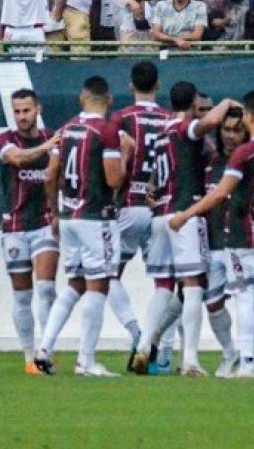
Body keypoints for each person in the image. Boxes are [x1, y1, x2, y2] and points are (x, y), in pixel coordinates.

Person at [169, 89, 254, 379]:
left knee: (244, 298)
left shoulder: (245, 154)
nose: (230, 135)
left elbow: (221, 193)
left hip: (241, 236)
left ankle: (248, 363)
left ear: (249, 118)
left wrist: (185, 215)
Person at [129, 87, 236, 377]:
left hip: (160, 216)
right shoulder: (182, 128)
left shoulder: (162, 132)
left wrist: (152, 188)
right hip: (183, 215)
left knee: (164, 287)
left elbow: (156, 172)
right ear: (191, 104)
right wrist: (227, 100)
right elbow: (209, 123)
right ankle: (189, 358)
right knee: (192, 286)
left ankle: (143, 347)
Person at [33, 76, 126, 377]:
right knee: (98, 284)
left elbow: (50, 175)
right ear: (108, 100)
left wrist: (54, 212)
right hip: (95, 217)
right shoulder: (107, 131)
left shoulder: (66, 129)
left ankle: (44, 348)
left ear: (81, 98)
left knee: (75, 284)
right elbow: (113, 179)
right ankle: (86, 360)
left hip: (69, 215)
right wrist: (125, 152)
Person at [106, 61, 172, 363]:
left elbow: (112, 165)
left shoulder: (121, 118)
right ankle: (163, 352)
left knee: (108, 274)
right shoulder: (169, 120)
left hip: (129, 206)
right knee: (166, 283)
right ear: (158, 86)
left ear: (131, 85)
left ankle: (136, 333)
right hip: (160, 207)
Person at [0, 89, 60, 374]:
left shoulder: (53, 138)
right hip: (15, 225)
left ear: (38, 109)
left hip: (45, 222)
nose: (22, 116)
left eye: (27, 110)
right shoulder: (4, 140)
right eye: (17, 111)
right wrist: (47, 149)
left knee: (46, 289)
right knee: (22, 295)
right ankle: (29, 357)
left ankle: (46, 353)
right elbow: (18, 159)